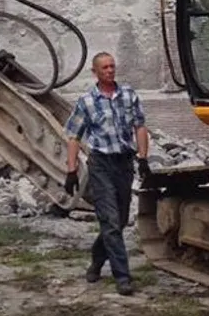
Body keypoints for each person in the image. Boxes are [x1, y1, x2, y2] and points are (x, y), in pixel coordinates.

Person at [64, 51, 150, 296]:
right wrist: (71, 171)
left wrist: (143, 158)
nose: (110, 70)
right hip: (100, 165)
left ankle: (96, 260)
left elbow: (140, 126)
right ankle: (123, 277)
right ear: (95, 72)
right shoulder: (87, 101)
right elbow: (73, 137)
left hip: (124, 164)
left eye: (112, 66)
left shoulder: (128, 95)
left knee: (120, 220)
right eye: (104, 68)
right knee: (110, 221)